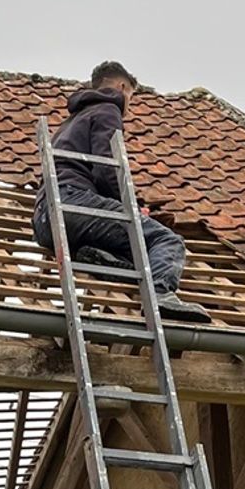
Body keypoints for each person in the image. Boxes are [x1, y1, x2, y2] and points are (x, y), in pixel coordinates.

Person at [33, 61, 212, 323]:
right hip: (73, 205)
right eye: (131, 97)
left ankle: (98, 257)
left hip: (47, 221)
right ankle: (161, 295)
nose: (129, 105)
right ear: (122, 87)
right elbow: (107, 168)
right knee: (164, 241)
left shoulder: (73, 121)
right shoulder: (108, 109)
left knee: (135, 252)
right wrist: (131, 208)